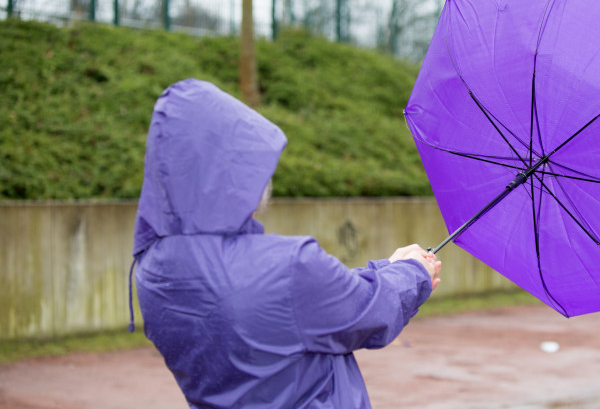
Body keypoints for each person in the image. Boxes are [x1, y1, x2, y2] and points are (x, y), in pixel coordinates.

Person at [129, 78, 442, 408]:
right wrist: (412, 273)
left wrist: (387, 268)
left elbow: (293, 303)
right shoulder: (290, 266)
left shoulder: (152, 270)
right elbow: (366, 309)